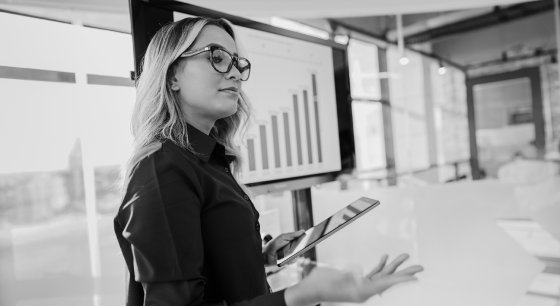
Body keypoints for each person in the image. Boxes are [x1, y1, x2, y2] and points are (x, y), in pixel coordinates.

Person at [114, 16, 423, 306]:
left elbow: (204, 268)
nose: (235, 73)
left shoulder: (208, 161)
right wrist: (302, 294)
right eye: (217, 57)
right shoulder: (163, 168)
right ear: (171, 77)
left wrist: (259, 258)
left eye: (238, 63)